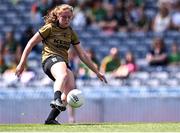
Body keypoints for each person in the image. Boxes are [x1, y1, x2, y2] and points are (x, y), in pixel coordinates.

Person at [15, 4, 107, 125]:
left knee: (70, 91)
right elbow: (30, 43)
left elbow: (83, 55)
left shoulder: (71, 32)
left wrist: (96, 71)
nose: (67, 19)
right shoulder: (49, 28)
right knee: (62, 75)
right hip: (50, 59)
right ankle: (56, 98)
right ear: (58, 16)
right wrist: (22, 63)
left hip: (62, 62)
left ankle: (50, 119)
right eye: (64, 17)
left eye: (69, 17)